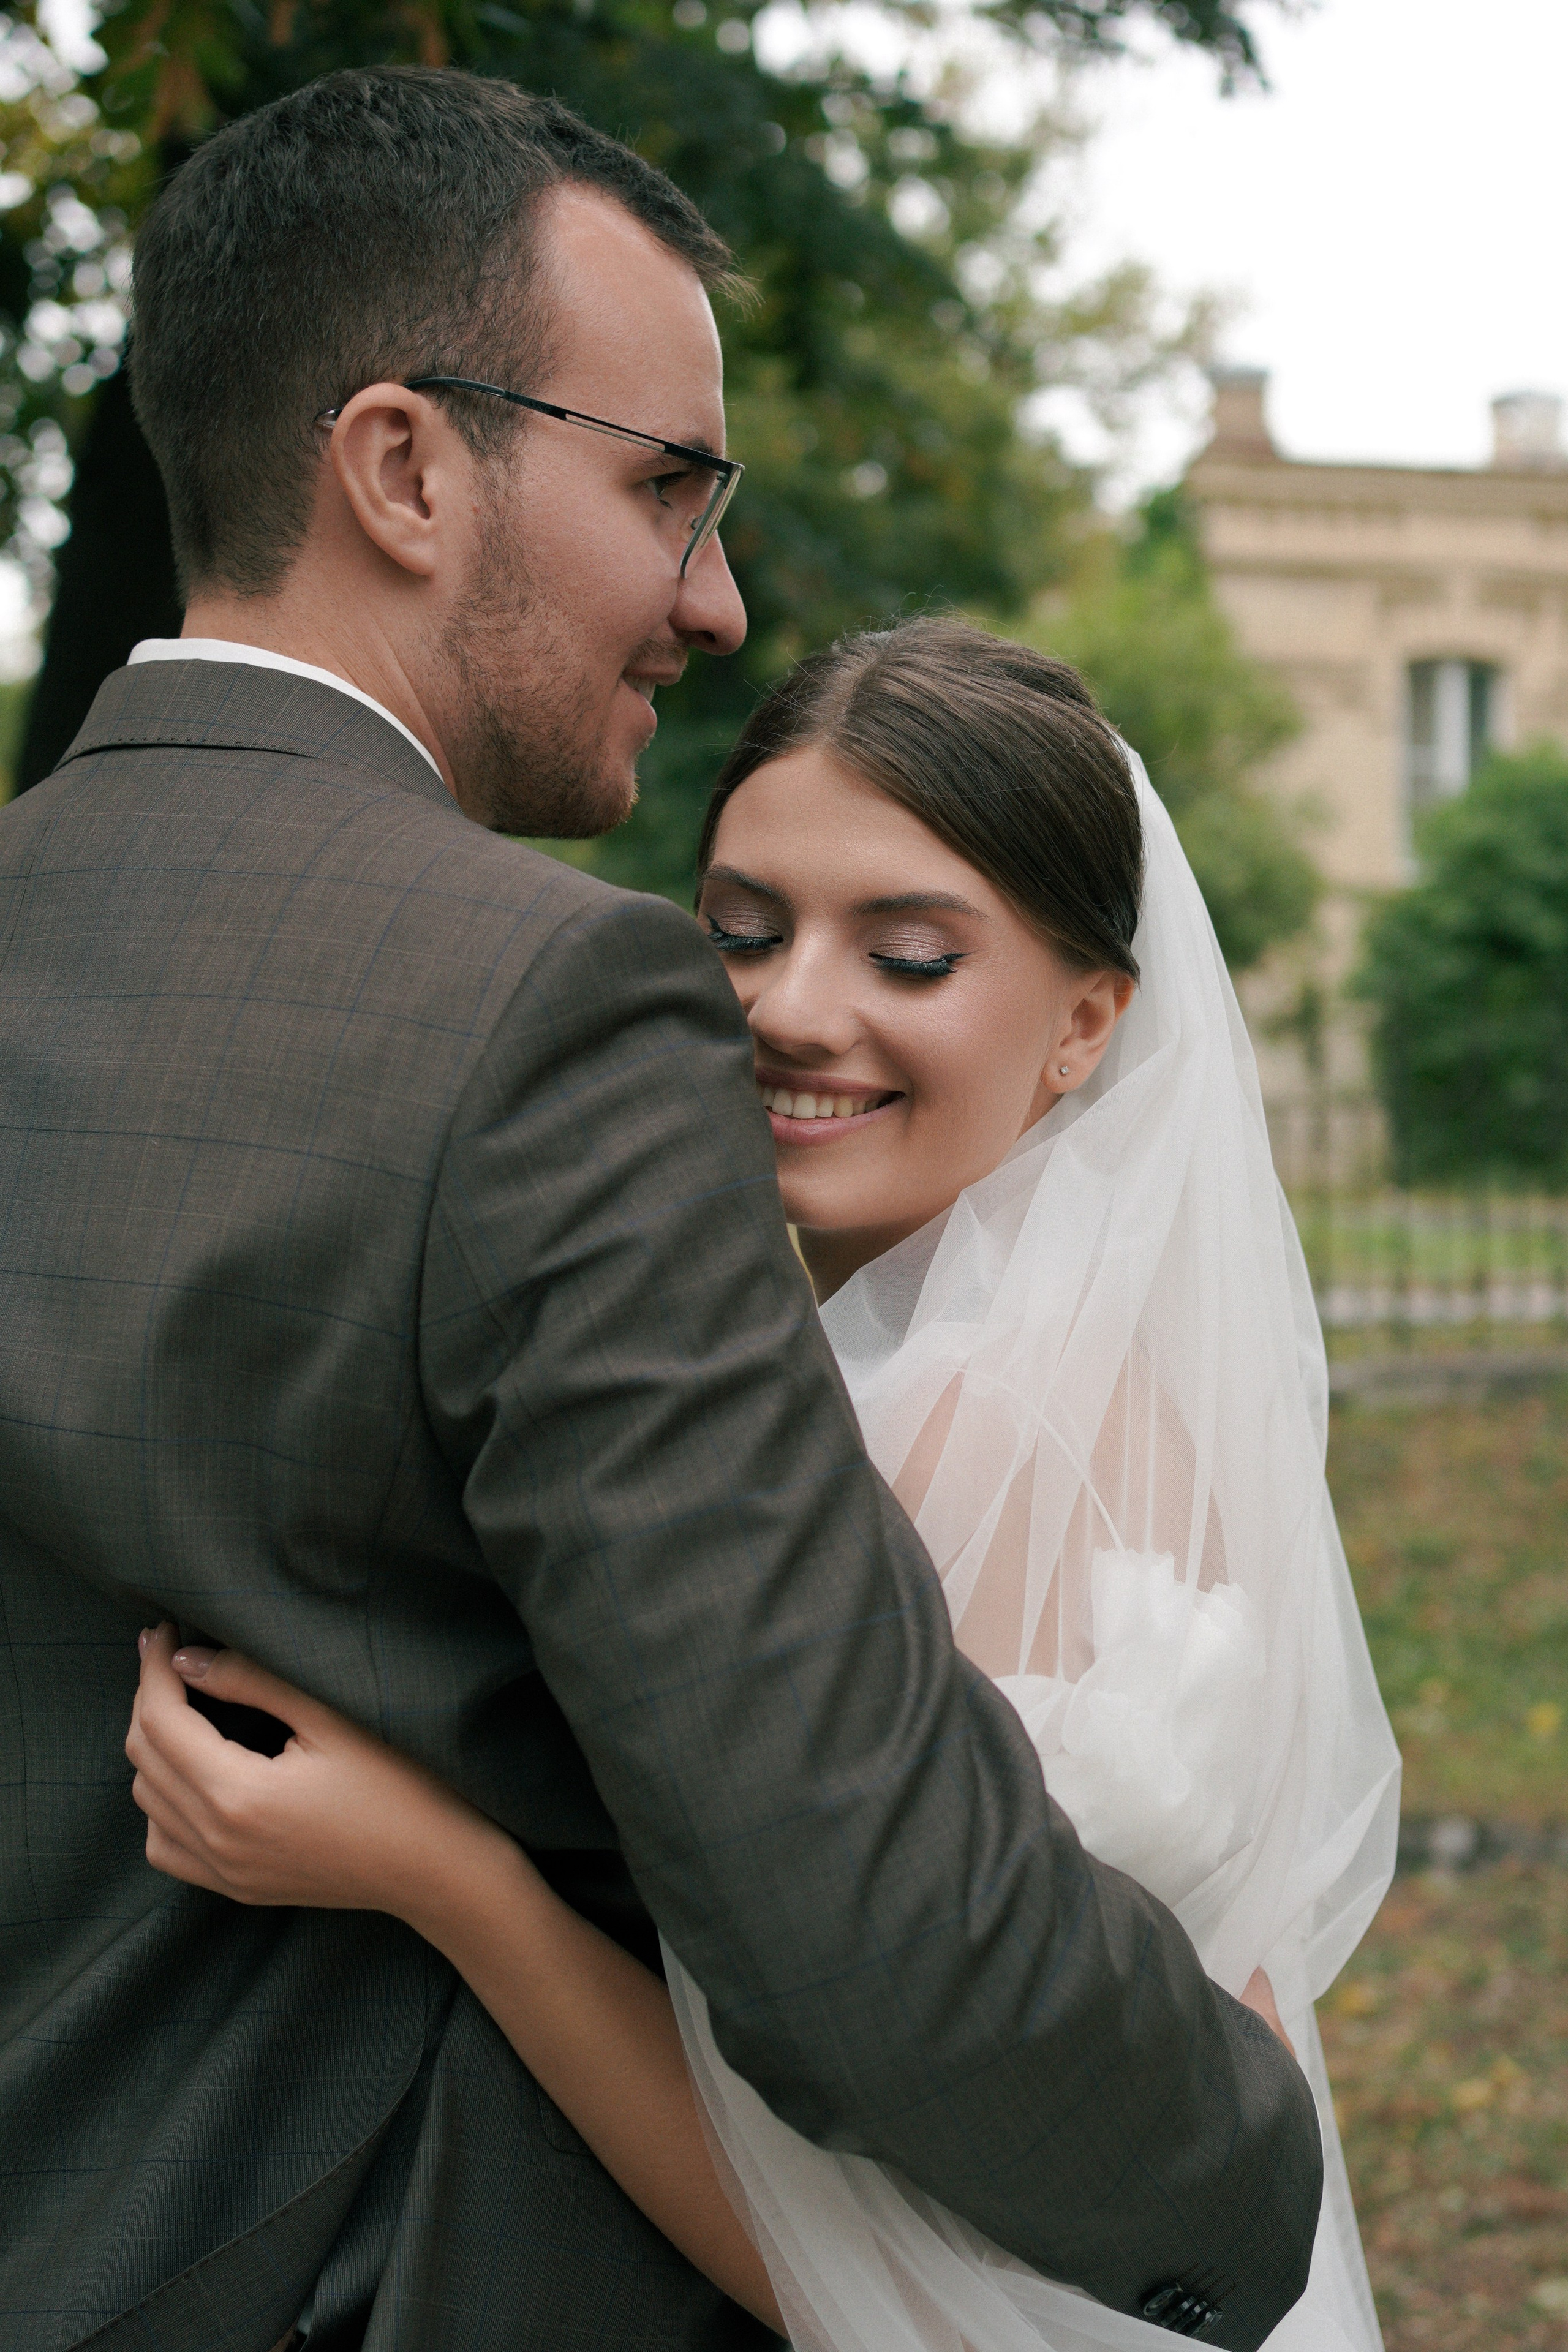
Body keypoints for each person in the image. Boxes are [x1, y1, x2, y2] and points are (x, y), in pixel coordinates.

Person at [0, 65, 1321, 2352]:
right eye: (666, 490)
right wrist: (1261, 2181)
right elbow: (868, 1919)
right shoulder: (536, 1007)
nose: (711, 600)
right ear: (407, 468)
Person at [126, 620, 1400, 2352]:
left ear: (1087, 1022)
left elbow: (865, 2256)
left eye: (912, 958)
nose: (794, 1009)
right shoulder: (1077, 1391)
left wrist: (443, 1875)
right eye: (741, 933)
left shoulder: (959, 1442)